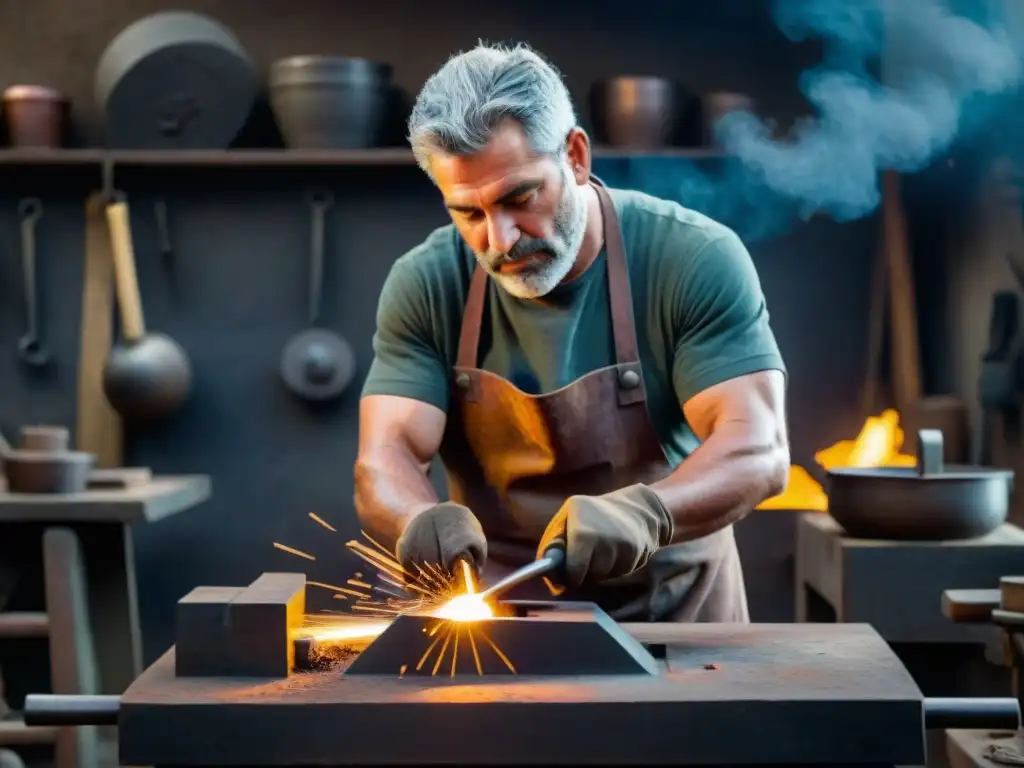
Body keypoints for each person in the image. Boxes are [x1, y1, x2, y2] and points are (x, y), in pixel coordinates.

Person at [354, 43, 789, 623]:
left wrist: (649, 514)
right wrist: (416, 519)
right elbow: (385, 456)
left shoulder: (693, 257)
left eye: (520, 197)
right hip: (497, 625)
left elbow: (757, 450)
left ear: (577, 155)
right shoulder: (426, 281)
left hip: (676, 617)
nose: (501, 239)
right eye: (469, 213)